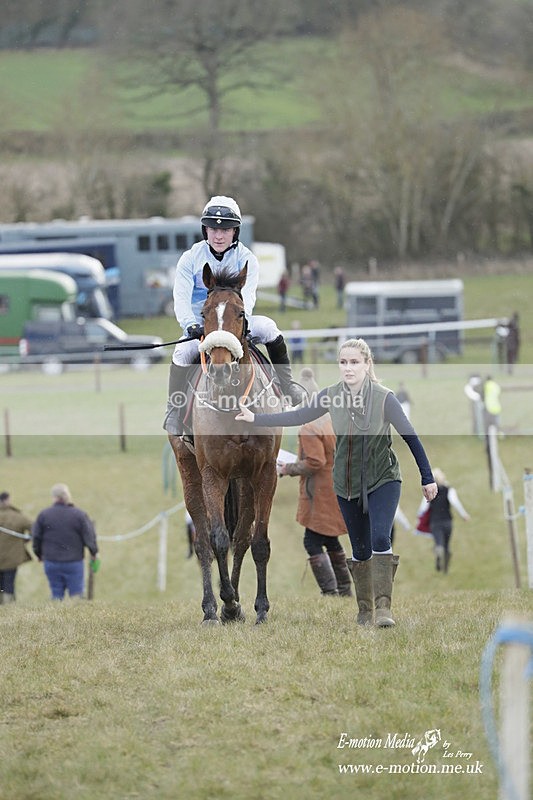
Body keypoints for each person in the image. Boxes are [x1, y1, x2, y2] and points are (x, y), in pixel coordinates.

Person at [236, 338, 437, 628]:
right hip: (345, 482)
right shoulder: (331, 396)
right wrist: (255, 417)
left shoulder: (385, 398)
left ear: (367, 364)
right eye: (343, 362)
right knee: (359, 549)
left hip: (383, 478)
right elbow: (298, 415)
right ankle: (365, 609)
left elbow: (410, 435)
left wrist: (427, 477)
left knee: (381, 538)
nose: (348, 367)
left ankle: (384, 609)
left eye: (354, 362)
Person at [164, 196, 305, 437]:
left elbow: (247, 297)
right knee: (181, 352)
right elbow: (181, 297)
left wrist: (239, 324)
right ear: (205, 230)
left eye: (225, 229)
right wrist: (190, 326)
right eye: (213, 229)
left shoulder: (247, 258)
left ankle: (287, 384)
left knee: (270, 328)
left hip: (236, 321)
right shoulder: (189, 258)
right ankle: (175, 410)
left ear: (235, 231)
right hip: (203, 323)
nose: (218, 235)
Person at [277, 368, 353, 598]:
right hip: (335, 488)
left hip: (320, 492)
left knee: (311, 542)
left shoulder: (309, 427)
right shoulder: (329, 419)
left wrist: (286, 468)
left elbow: (315, 461)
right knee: (330, 539)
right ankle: (345, 589)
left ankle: (330, 591)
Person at [32, 484, 99, 601]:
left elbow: (36, 537)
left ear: (54, 497)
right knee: (77, 595)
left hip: (51, 561)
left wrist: (39, 554)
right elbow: (89, 536)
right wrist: (94, 552)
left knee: (56, 593)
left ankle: (55, 617)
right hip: (74, 561)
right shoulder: (79, 515)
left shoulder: (44, 515)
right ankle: (78, 618)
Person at [418, 468, 470, 573]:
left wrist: (419, 517)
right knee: (447, 544)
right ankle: (445, 568)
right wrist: (464, 515)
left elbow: (422, 508)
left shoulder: (430, 491)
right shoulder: (449, 490)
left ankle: (438, 551)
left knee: (439, 542)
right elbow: (455, 503)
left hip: (435, 522)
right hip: (447, 521)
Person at [0, 491, 32, 604]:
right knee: (8, 583)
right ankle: (7, 605)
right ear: (7, 500)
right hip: (11, 559)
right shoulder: (18, 517)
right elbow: (34, 529)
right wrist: (26, 539)